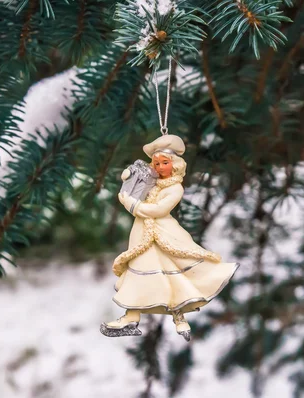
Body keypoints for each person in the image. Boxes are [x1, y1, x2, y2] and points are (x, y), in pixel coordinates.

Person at [101, 135, 239, 340]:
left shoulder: (175, 188)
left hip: (164, 233)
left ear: (175, 165)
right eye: (156, 163)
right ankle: (131, 316)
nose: (159, 167)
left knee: (173, 272)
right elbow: (138, 194)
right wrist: (129, 180)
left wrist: (131, 204)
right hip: (142, 234)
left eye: (164, 163)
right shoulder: (153, 183)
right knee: (140, 272)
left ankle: (179, 314)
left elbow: (157, 210)